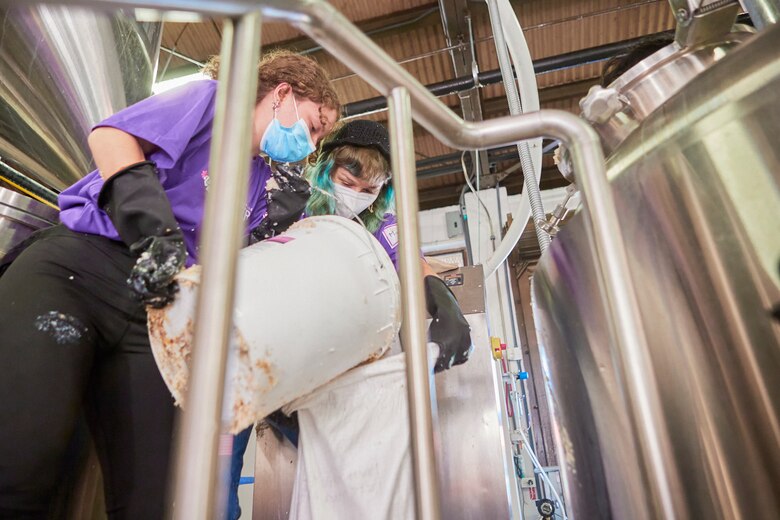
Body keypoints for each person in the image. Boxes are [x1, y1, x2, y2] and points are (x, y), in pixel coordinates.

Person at [0, 50, 340, 519]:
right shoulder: (212, 101)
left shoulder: (261, 184)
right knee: (22, 464)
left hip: (154, 314)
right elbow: (111, 136)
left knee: (150, 502)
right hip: (80, 271)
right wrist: (154, 229)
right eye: (314, 124)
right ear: (282, 94)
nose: (310, 142)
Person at [225, 119, 473, 519]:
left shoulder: (376, 224)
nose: (356, 195)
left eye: (370, 190)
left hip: (314, 375)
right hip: (252, 354)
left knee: (346, 472)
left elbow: (412, 263)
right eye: (348, 180)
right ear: (326, 169)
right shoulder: (288, 200)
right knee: (216, 486)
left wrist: (446, 306)